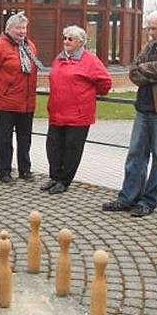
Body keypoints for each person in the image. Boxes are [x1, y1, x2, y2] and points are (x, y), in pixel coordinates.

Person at [102, 10, 157, 217]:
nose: (150, 33)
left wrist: (147, 71)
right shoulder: (150, 46)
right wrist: (151, 72)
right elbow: (134, 71)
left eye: (153, 28)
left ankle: (148, 201)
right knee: (136, 155)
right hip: (144, 108)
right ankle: (128, 198)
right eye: (148, 28)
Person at [44, 25, 112, 194]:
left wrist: (88, 94)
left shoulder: (90, 60)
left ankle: (64, 181)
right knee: (53, 146)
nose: (66, 41)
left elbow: (105, 82)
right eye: (65, 38)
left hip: (78, 115)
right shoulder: (59, 59)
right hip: (57, 111)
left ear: (80, 42)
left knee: (72, 149)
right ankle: (54, 176)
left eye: (70, 39)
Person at [0, 11, 42, 184]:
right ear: (9, 29)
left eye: (24, 28)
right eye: (18, 28)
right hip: (6, 103)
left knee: (25, 139)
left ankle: (25, 171)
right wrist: (0, 88)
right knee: (5, 140)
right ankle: (5, 172)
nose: (22, 31)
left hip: (27, 103)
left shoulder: (30, 46)